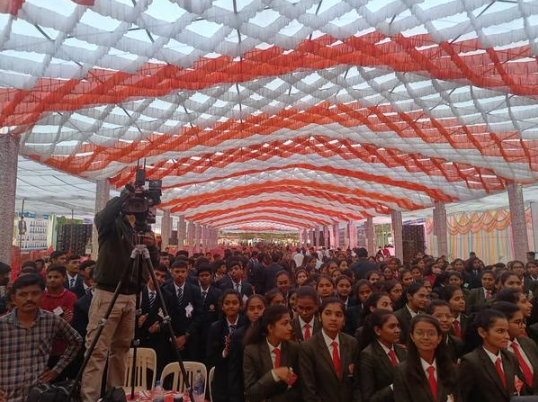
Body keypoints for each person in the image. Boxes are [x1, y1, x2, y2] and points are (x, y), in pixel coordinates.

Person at [81, 188, 159, 402]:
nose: (136, 208)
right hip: (108, 292)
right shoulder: (111, 224)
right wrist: (126, 193)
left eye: (140, 204)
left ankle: (114, 394)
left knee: (122, 349)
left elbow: (154, 263)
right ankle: (90, 397)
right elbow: (102, 216)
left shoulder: (144, 229)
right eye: (133, 204)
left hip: (132, 295)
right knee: (97, 350)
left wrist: (152, 246)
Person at [0, 274, 82, 402]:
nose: (29, 298)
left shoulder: (51, 321)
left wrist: (56, 370)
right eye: (23, 294)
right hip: (7, 395)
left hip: (38, 394)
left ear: (42, 295)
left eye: (35, 293)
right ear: (14, 298)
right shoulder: (2, 325)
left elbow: (76, 341)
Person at [300, 298, 362, 402]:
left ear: (344, 320)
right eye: (328, 314)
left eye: (338, 315)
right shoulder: (308, 347)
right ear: (319, 317)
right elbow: (309, 390)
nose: (333, 318)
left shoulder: (352, 343)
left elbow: (356, 383)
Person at [459, 309, 522, 402]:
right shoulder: (471, 361)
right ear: (482, 332)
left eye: (507, 331)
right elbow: (462, 396)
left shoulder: (510, 357)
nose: (507, 336)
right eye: (500, 331)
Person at [393, 315, 457, 402]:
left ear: (439, 338)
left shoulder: (452, 369)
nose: (425, 337)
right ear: (412, 336)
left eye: (431, 333)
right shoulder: (402, 371)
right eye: (419, 333)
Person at [243, 305, 300, 402]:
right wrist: (274, 374)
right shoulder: (251, 351)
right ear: (270, 328)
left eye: (290, 323)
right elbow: (251, 393)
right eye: (285, 323)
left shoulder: (294, 349)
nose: (290, 327)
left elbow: (299, 389)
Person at [358, 309, 407, 402]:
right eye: (392, 327)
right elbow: (369, 398)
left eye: (398, 326)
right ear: (377, 330)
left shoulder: (403, 350)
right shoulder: (368, 356)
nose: (398, 330)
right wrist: (395, 385)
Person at [206, 290, 246, 402]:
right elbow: (210, 357)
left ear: (241, 305)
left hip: (242, 378)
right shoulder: (215, 328)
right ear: (222, 307)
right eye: (227, 303)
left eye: (234, 303)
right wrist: (225, 352)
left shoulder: (247, 325)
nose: (231, 306)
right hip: (222, 379)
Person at [492, 301, 538, 394]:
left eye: (523, 321)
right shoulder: (495, 350)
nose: (523, 325)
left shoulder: (528, 343)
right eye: (518, 322)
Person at [228, 295, 267, 402]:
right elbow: (234, 369)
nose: (256, 312)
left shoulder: (271, 332)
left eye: (260, 308)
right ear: (246, 312)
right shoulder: (237, 335)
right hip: (245, 386)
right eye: (251, 309)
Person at [164, 259, 204, 361]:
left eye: (183, 271)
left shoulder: (195, 290)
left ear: (187, 273)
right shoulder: (165, 290)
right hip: (170, 338)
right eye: (177, 271)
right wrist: (173, 337)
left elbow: (199, 315)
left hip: (190, 339)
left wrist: (186, 336)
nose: (180, 274)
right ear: (171, 272)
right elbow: (163, 315)